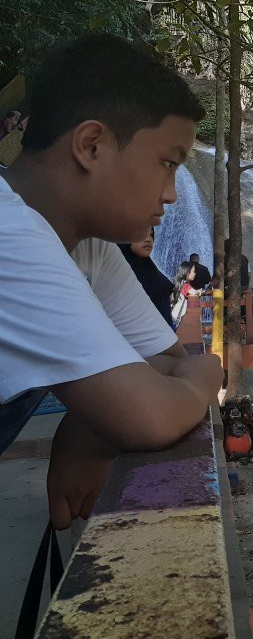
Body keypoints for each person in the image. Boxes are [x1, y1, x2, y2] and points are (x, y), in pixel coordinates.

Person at [0, 33, 223, 530]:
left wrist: (90, 426)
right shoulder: (10, 235)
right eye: (167, 163)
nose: (170, 194)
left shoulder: (86, 244)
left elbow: (165, 361)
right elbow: (154, 413)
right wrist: (209, 372)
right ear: (91, 145)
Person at [118, 227, 174, 328]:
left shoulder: (153, 273)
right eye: (142, 233)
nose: (148, 239)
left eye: (151, 235)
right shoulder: (114, 274)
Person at [171, 261, 199, 327]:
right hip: (177, 317)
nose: (195, 273)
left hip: (173, 315)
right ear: (187, 273)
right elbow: (194, 292)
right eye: (193, 271)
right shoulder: (186, 285)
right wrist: (201, 292)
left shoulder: (179, 283)